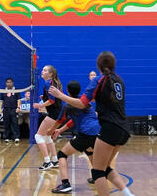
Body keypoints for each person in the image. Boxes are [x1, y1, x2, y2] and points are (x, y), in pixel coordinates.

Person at [49, 51, 134, 196]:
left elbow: (82, 103)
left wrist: (60, 95)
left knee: (97, 171)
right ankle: (128, 194)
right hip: (124, 128)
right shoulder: (119, 80)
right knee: (105, 167)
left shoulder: (99, 81)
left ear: (98, 66)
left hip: (109, 128)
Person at [50, 80, 101, 193]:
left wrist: (50, 130)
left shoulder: (68, 106)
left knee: (62, 154)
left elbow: (59, 120)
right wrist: (60, 130)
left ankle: (65, 184)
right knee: (89, 151)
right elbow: (72, 121)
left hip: (86, 133)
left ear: (67, 91)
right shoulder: (84, 101)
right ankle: (96, 176)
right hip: (97, 132)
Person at [32, 65, 63, 170]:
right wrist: (44, 98)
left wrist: (39, 105)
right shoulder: (54, 82)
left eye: (45, 70)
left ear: (50, 74)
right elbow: (53, 98)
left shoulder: (48, 83)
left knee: (38, 136)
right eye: (43, 69)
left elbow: (52, 101)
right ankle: (54, 161)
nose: (42, 71)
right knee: (46, 137)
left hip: (54, 113)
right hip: (58, 112)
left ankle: (47, 162)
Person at [0, 78, 21, 143]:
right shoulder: (3, 91)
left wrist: (18, 107)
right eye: (7, 82)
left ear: (12, 83)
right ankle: (7, 137)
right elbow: (1, 101)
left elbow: (19, 100)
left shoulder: (16, 90)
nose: (9, 83)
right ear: (6, 83)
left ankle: (16, 137)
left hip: (14, 109)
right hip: (6, 109)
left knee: (15, 123)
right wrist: (0, 109)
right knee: (6, 123)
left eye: (10, 82)